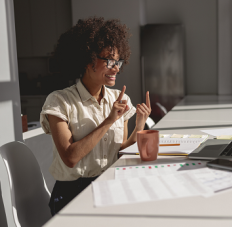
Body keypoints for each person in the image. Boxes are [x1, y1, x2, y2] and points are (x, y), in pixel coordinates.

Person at [40, 17, 151, 216]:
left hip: (111, 185)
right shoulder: (59, 101)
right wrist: (109, 121)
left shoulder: (120, 98)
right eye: (109, 60)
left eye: (118, 61)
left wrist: (139, 126)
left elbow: (120, 152)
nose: (116, 68)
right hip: (72, 194)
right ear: (86, 59)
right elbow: (70, 157)